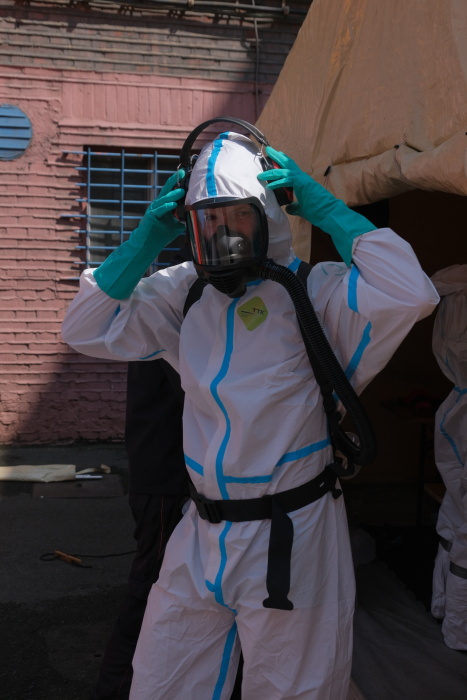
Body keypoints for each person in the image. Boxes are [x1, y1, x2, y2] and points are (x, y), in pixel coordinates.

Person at [63, 130, 439, 700]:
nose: (224, 234)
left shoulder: (317, 293)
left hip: (293, 535)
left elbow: (411, 292)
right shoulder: (186, 294)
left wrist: (326, 209)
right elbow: (85, 327)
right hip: (200, 531)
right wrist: (146, 239)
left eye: (238, 216)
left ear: (268, 213)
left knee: (293, 689)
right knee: (162, 682)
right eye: (209, 220)